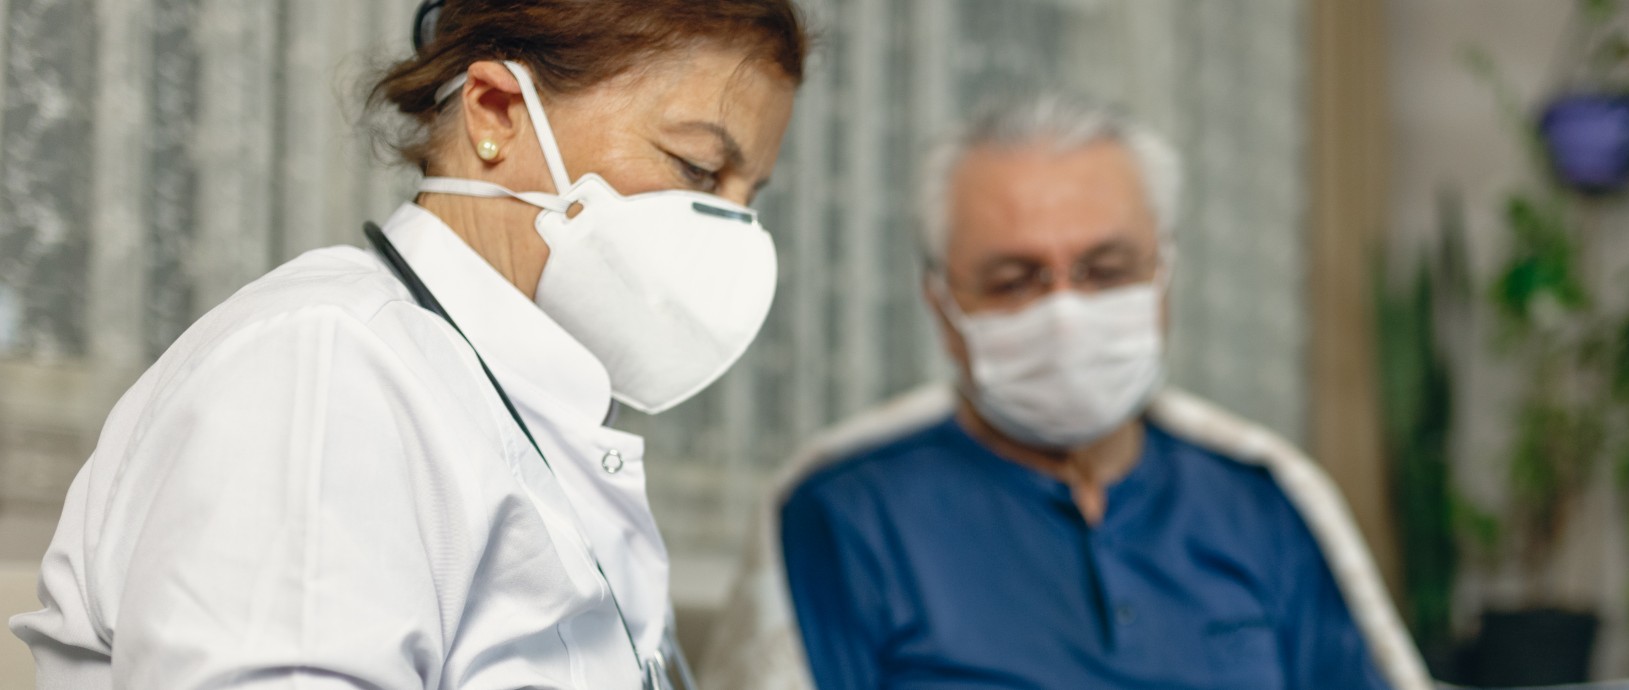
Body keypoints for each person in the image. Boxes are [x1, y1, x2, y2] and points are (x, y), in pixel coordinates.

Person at [8, 0, 807, 687]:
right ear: (495, 112)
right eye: (700, 168)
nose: (735, 228)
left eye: (751, 195)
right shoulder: (326, 375)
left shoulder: (525, 404)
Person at [700, 94, 1434, 690]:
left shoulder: (1261, 505)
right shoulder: (848, 517)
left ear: (1163, 278)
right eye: (1015, 280)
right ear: (942, 306)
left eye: (1105, 271)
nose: (1065, 311)